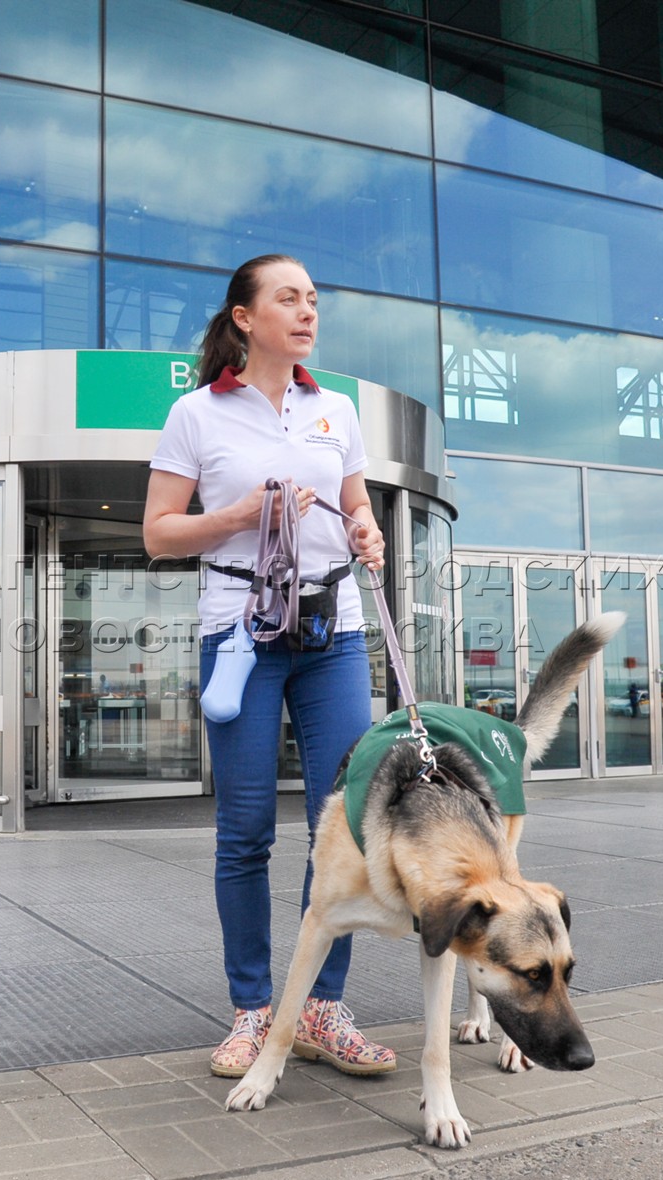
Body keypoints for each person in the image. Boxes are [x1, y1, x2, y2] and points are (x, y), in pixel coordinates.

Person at [144, 254, 392, 1079]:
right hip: (240, 636)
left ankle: (320, 1008)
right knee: (245, 831)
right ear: (245, 318)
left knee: (344, 826)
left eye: (313, 299)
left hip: (333, 633)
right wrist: (242, 513)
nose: (307, 311)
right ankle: (253, 1010)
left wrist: (365, 528)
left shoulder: (336, 408)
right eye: (289, 299)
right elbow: (157, 533)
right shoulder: (196, 413)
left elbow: (354, 501)